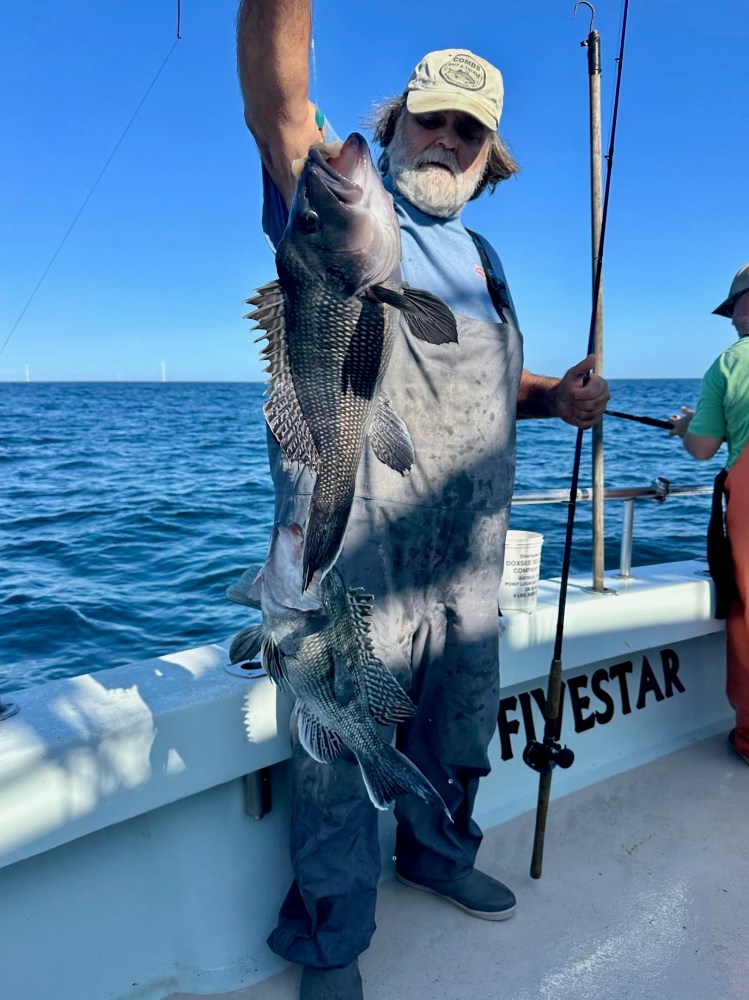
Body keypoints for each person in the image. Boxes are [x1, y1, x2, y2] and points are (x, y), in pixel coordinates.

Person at [237, 5, 610, 998]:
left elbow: (487, 390)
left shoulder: (486, 267)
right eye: (428, 119)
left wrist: (557, 401)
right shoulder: (341, 213)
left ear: (489, 158)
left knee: (458, 728)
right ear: (394, 125)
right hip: (353, 558)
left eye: (467, 131)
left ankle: (437, 853)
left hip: (466, 561)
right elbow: (276, 108)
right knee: (334, 752)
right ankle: (331, 940)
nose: (444, 140)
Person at [670, 263, 749, 770]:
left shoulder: (729, 364)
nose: (731, 321)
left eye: (734, 309)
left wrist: (682, 427)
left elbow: (703, 448)